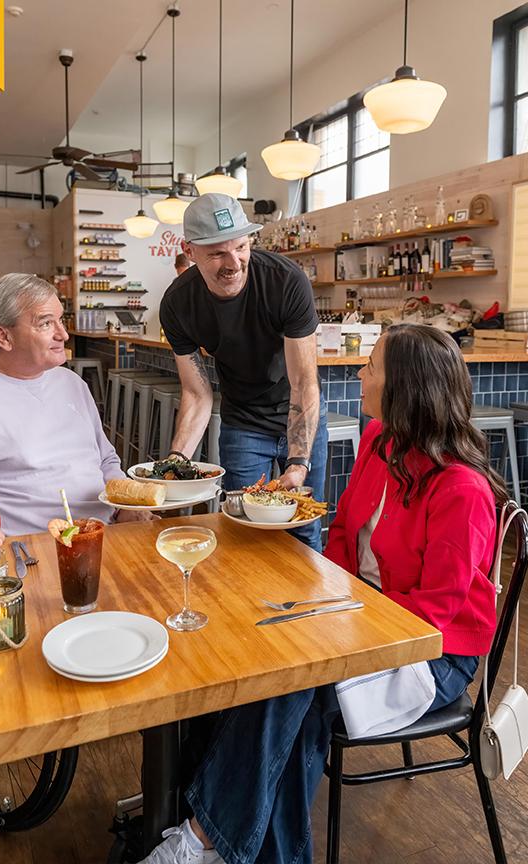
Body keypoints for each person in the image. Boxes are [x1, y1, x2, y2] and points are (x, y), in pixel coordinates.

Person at [136, 324, 504, 864]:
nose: (359, 373)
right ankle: (205, 833)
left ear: (406, 386)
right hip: (361, 617)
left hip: (432, 653)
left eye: (371, 366)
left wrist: (338, 620)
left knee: (290, 688)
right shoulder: (381, 440)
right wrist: (326, 599)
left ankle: (199, 840)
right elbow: (339, 536)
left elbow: (439, 610)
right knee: (258, 662)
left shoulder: (461, 489)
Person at [0, 273, 148, 558]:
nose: (63, 334)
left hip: (107, 538)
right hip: (27, 556)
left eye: (61, 319)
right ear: (3, 336)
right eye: (46, 323)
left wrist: (123, 507)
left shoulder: (72, 384)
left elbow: (105, 460)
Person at [159, 193, 327, 551]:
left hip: (301, 415)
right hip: (243, 422)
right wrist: (177, 461)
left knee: (303, 528)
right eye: (217, 253)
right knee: (247, 532)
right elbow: (196, 392)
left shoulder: (286, 282)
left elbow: (303, 382)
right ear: (189, 251)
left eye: (240, 247)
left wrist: (298, 462)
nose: (233, 262)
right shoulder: (178, 304)